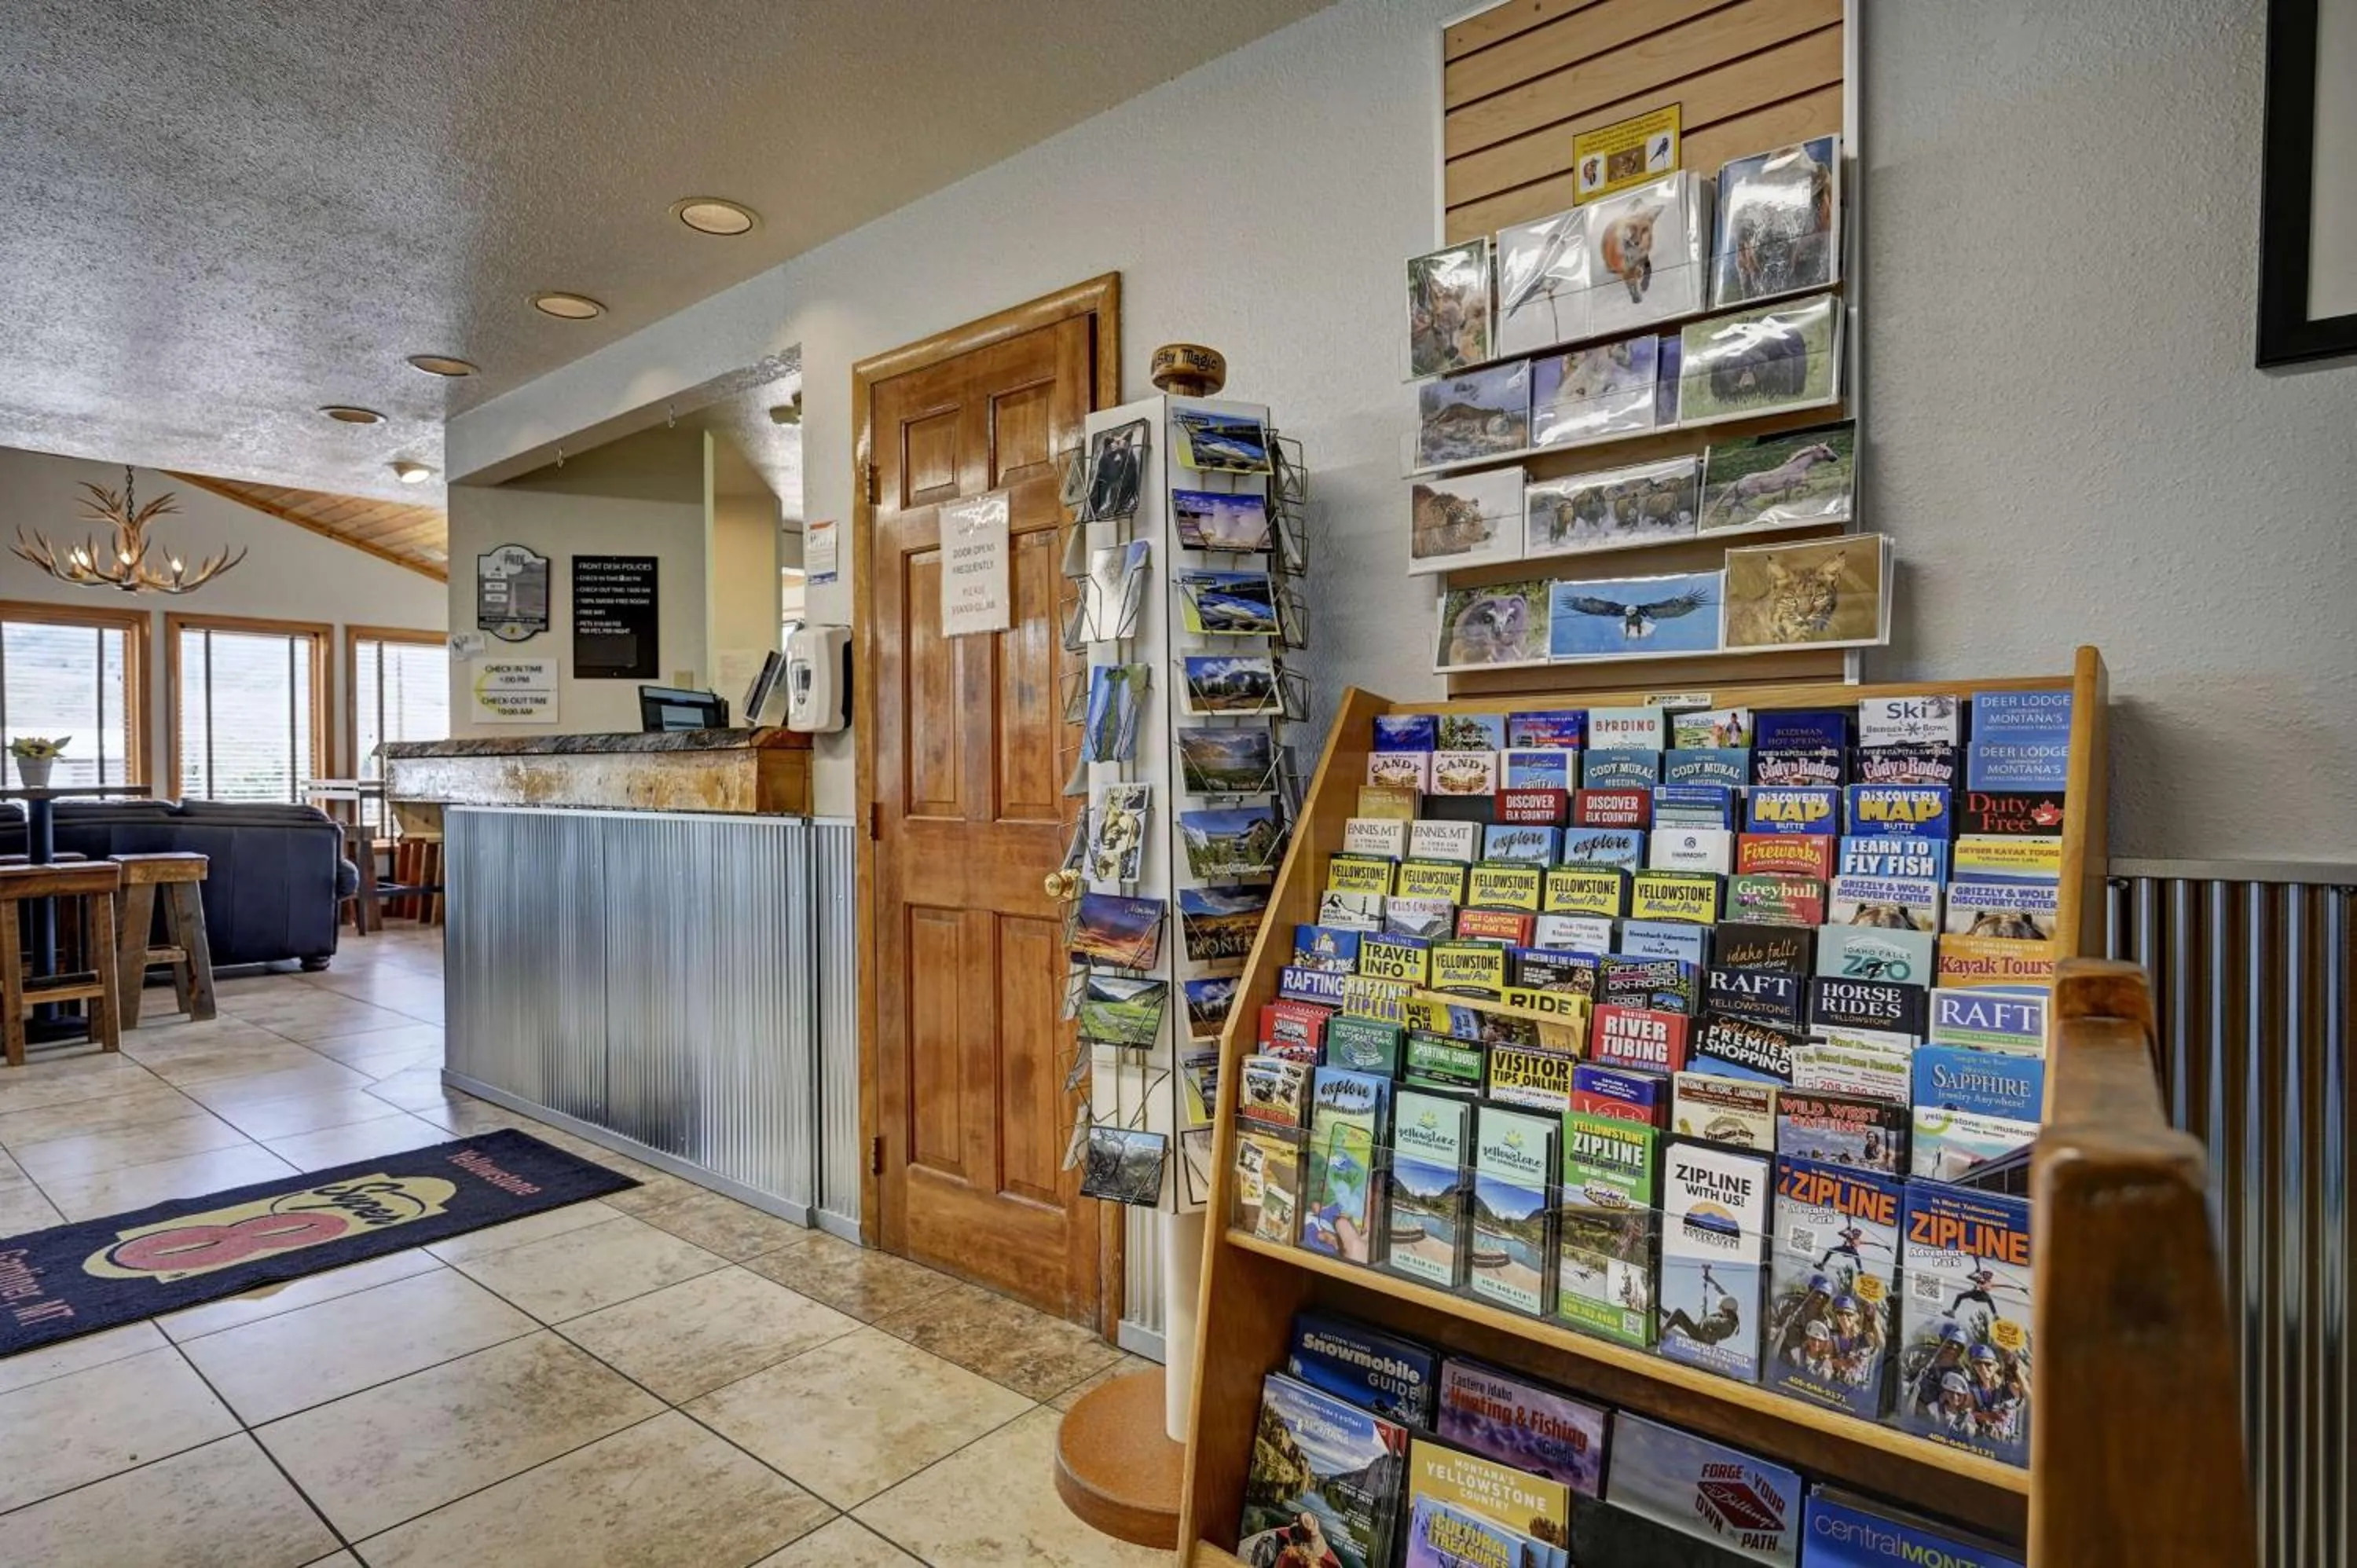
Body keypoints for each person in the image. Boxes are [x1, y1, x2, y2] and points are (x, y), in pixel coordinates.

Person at [1662, 1265, 1744, 1351]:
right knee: (1675, 1317)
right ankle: (1667, 1319)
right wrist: (1712, 1281)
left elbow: (1706, 1322)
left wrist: (1700, 1322)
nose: (1721, 1310)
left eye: (1722, 1309)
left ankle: (1663, 1331)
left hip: (1701, 1337)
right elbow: (1725, 1296)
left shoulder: (1725, 1322)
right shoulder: (1732, 1313)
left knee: (1678, 1313)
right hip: (1705, 1336)